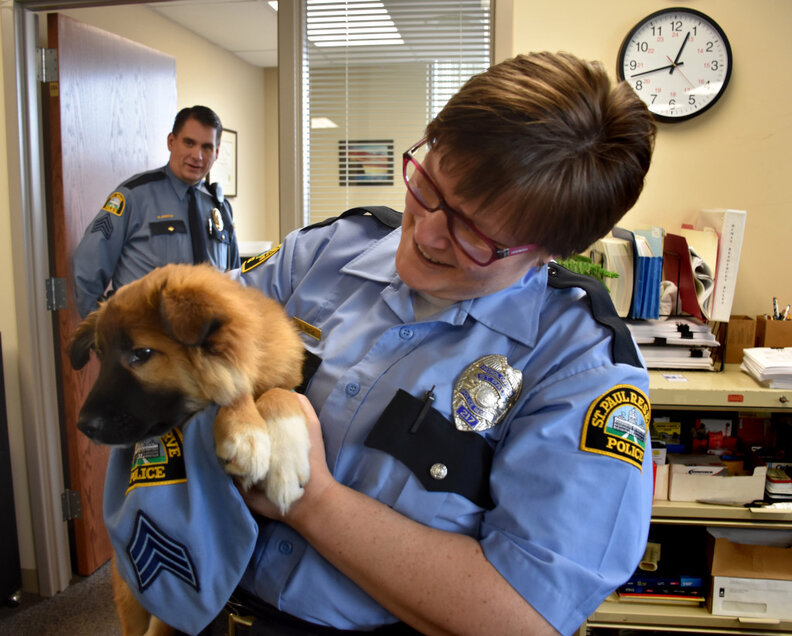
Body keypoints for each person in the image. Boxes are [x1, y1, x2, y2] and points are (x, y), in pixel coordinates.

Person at [101, 51, 656, 636]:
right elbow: (174, 351)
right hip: (195, 608)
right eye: (431, 184)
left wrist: (315, 501)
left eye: (477, 234)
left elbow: (524, 615)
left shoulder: (579, 367)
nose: (428, 233)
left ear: (547, 251)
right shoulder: (322, 254)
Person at [72, 105, 239, 318]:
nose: (197, 155)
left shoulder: (219, 207)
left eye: (206, 147)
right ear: (171, 142)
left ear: (216, 153)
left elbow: (234, 279)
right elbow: (88, 267)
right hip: (147, 337)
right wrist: (98, 335)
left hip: (206, 339)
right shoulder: (134, 196)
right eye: (189, 143)